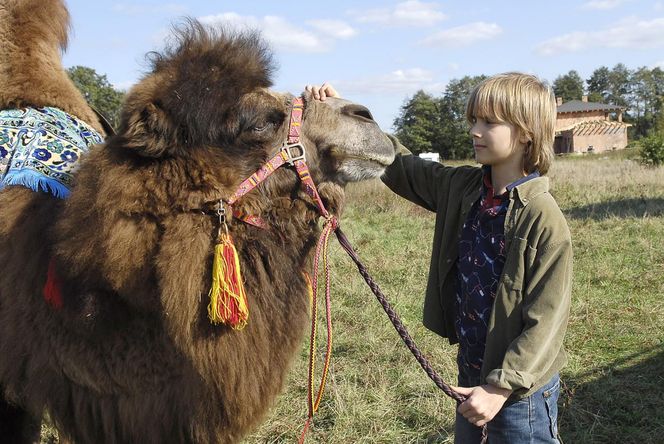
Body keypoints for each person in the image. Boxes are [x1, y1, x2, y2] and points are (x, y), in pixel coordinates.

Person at [306, 74, 572, 443]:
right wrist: (343, 113)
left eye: (489, 122)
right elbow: (401, 166)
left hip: (519, 394)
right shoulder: (462, 188)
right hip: (471, 376)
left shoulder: (543, 218)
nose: (475, 131)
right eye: (473, 121)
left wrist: (500, 389)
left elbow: (547, 322)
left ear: (526, 132)